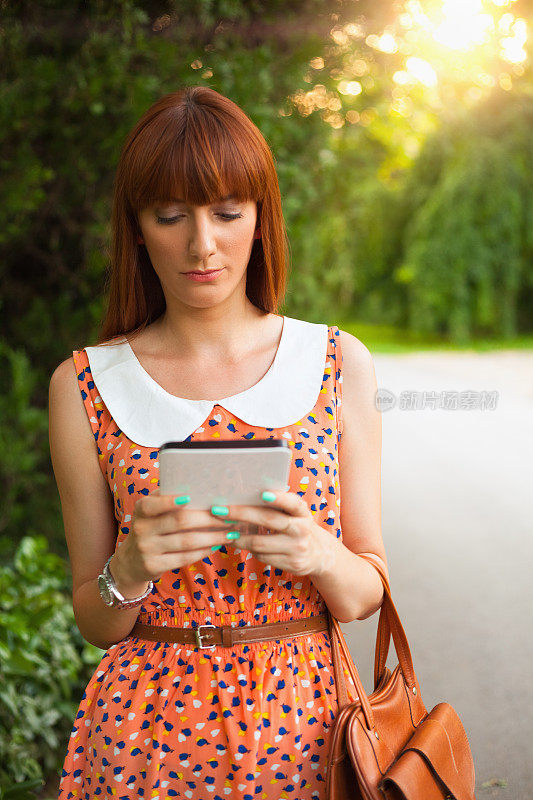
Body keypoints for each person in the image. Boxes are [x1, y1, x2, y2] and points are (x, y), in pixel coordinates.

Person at [49, 85, 388, 800]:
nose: (201, 244)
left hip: (307, 737)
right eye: (170, 216)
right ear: (137, 228)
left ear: (261, 218)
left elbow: (365, 592)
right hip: (145, 741)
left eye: (227, 213)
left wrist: (318, 554)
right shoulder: (86, 383)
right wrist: (130, 566)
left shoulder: (334, 362)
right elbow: (95, 621)